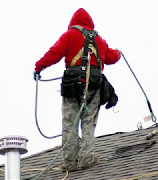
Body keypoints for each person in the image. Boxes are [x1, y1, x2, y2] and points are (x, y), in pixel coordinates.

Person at [33, 8, 121, 171]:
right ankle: (87, 159)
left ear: (73, 23)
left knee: (70, 124)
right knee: (88, 122)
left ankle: (70, 162)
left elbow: (54, 53)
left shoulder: (69, 36)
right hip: (94, 87)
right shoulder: (98, 40)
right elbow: (111, 57)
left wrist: (39, 67)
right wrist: (118, 53)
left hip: (72, 87)